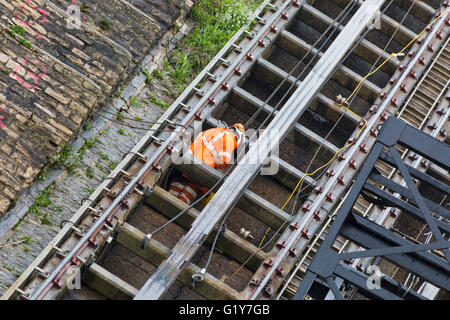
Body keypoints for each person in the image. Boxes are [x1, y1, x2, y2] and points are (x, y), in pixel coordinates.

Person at [168, 123, 245, 205]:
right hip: (200, 170)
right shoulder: (229, 138)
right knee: (188, 194)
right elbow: (223, 160)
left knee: (177, 187)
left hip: (186, 161)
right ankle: (177, 208)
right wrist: (217, 176)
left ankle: (167, 201)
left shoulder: (213, 130)